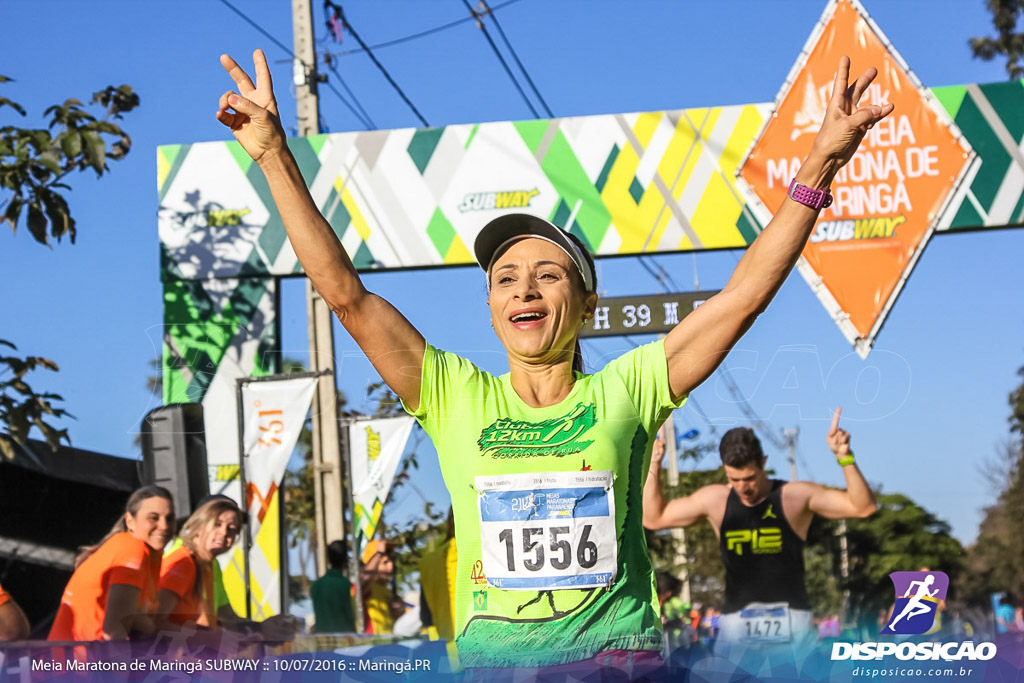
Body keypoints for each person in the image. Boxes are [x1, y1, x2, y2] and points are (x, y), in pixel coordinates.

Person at [215, 49, 891, 674]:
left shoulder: (628, 388)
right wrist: (274, 154)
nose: (525, 289)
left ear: (588, 304)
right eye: (505, 278)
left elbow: (743, 297)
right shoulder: (453, 393)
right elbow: (346, 295)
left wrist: (821, 162)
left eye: (548, 274)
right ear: (490, 308)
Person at [643, 409, 876, 672]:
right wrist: (654, 464)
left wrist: (844, 457)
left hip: (792, 620)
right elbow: (654, 518)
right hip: (736, 624)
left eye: (750, 478)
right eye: (735, 479)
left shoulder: (793, 496)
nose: (744, 487)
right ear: (725, 472)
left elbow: (862, 507)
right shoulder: (716, 500)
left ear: (763, 463)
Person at [49, 486, 175, 641]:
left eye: (169, 518)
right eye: (153, 518)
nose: (164, 526)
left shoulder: (140, 550)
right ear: (130, 521)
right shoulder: (132, 548)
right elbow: (115, 632)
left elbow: (137, 619)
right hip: (80, 661)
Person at [157, 496, 243, 630]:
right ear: (199, 524)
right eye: (217, 523)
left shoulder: (208, 563)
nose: (224, 532)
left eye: (232, 529)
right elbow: (154, 622)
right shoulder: (184, 561)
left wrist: (260, 629)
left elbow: (223, 617)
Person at [310, 540, 356, 633]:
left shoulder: (316, 585)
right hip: (345, 640)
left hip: (322, 641)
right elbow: (353, 616)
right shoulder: (347, 585)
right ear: (346, 559)